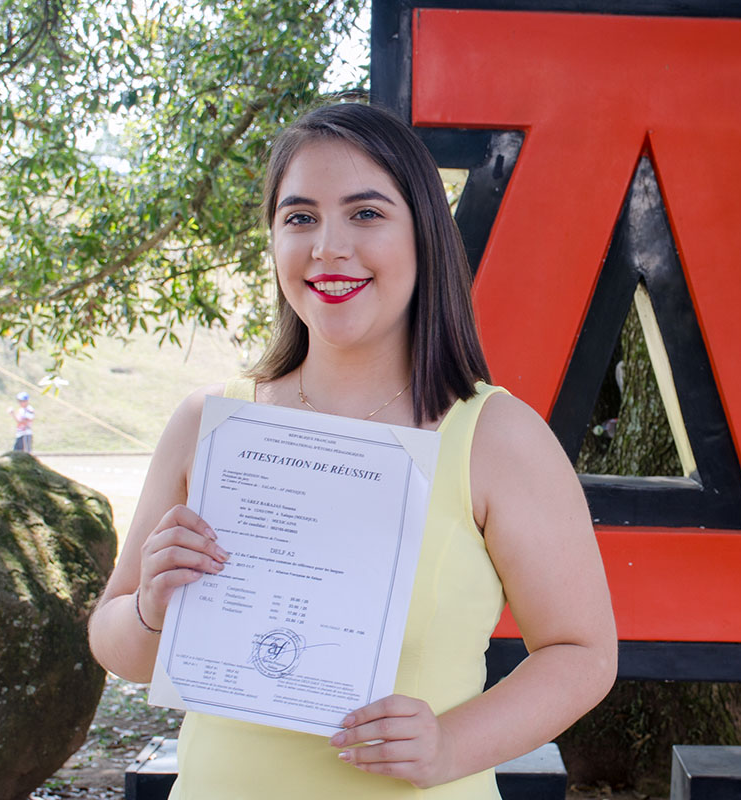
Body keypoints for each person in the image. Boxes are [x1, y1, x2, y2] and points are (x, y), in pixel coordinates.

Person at [88, 101, 617, 798]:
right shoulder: (210, 424)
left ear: (423, 235)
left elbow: (582, 654)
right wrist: (152, 606)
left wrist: (449, 744)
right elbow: (116, 645)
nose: (328, 247)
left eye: (366, 214)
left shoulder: (496, 438)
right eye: (299, 218)